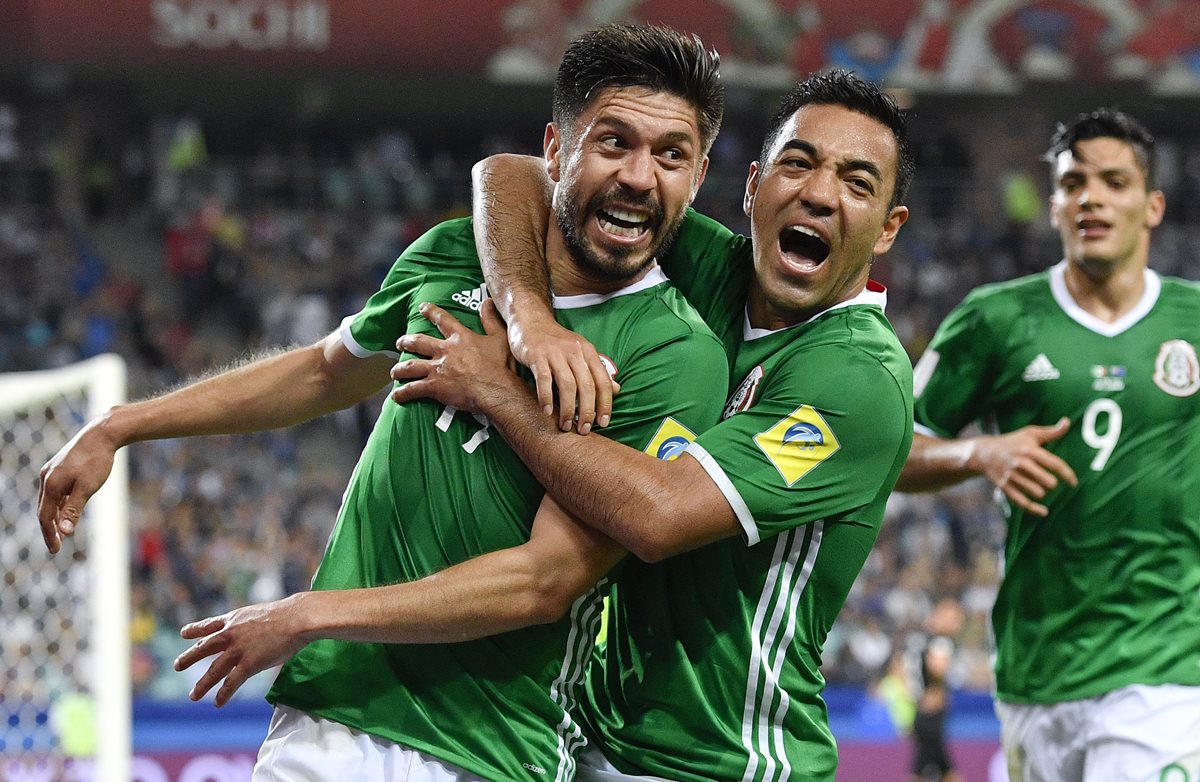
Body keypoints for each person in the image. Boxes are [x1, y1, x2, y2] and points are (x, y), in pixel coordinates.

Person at [37, 24, 728, 781]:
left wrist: (307, 615)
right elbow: (321, 375)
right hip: (332, 720)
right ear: (557, 151)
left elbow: (544, 581)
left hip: (492, 748)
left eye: (671, 156)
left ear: (695, 181)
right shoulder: (454, 253)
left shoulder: (675, 354)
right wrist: (121, 425)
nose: (639, 176)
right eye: (614, 142)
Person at [391, 69, 915, 781]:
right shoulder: (716, 272)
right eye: (800, 164)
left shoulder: (859, 377)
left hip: (723, 762)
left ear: (888, 228)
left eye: (857, 184)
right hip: (594, 737)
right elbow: (515, 175)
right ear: (752, 186)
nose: (819, 194)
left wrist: (498, 394)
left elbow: (656, 516)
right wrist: (529, 318)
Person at [896, 108, 1200, 781]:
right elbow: (894, 453)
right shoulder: (993, 319)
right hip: (1035, 671)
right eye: (1073, 183)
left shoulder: (1195, 321)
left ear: (1152, 206)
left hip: (1164, 669)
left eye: (1114, 182)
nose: (1090, 197)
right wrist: (978, 454)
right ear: (1054, 204)